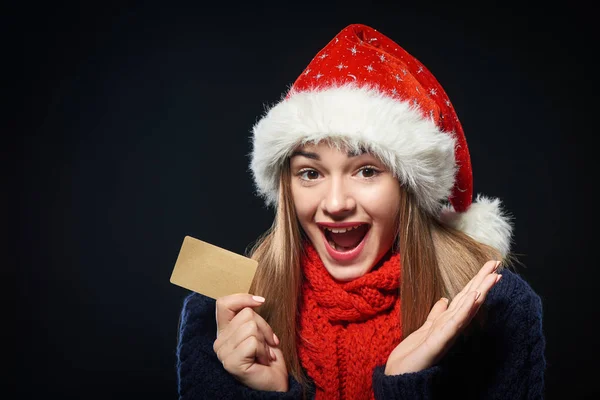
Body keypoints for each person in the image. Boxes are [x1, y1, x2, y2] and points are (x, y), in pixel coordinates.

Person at [175, 23, 546, 399]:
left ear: (407, 186)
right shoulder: (223, 315)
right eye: (310, 172)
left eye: (367, 170)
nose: (335, 204)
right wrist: (264, 392)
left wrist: (406, 386)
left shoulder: (496, 310)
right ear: (286, 187)